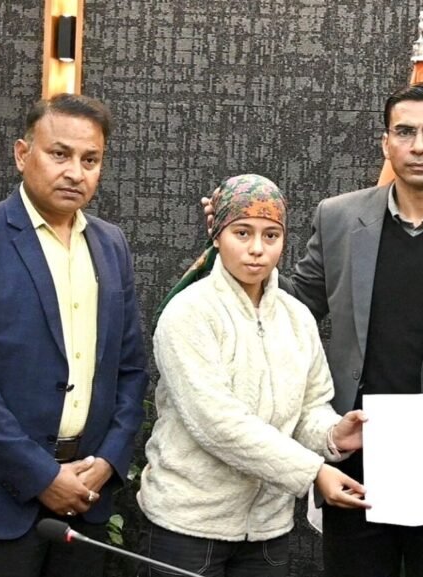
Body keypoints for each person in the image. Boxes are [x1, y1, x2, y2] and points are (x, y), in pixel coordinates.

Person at [202, 83, 423, 576]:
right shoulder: (339, 217)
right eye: (405, 132)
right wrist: (232, 243)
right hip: (357, 450)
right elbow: (290, 307)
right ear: (386, 143)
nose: (419, 146)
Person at [0, 94, 149, 577]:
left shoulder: (111, 244)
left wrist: (109, 461)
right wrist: (42, 475)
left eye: (90, 160)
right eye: (59, 154)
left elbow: (131, 369)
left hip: (86, 493)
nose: (75, 172)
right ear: (22, 154)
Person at [138, 174, 370, 577]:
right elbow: (217, 423)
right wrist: (313, 471)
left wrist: (334, 435)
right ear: (217, 236)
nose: (257, 249)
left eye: (271, 235)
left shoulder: (297, 318)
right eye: (242, 233)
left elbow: (311, 406)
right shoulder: (188, 313)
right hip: (188, 526)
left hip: (268, 529)